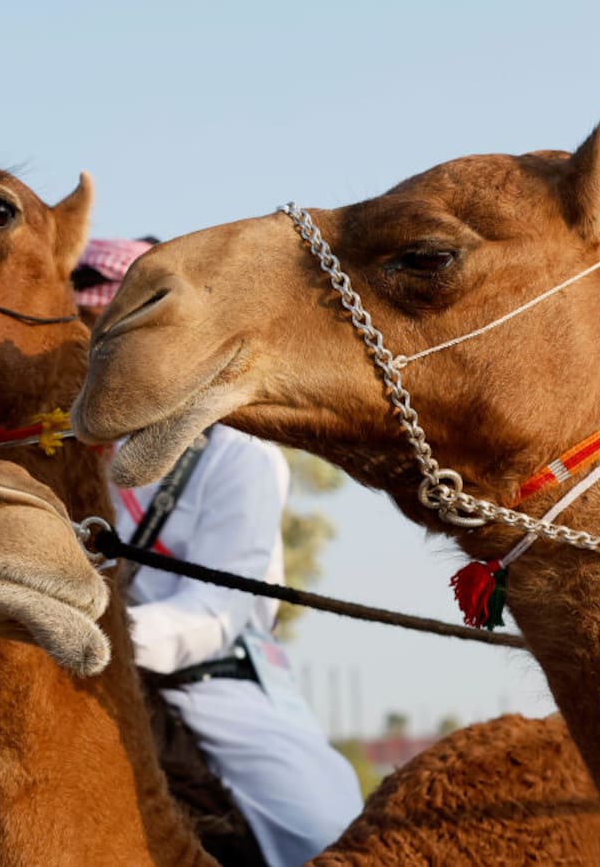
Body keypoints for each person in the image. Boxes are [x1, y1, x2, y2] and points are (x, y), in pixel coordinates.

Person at [75, 238, 363, 867]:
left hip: (210, 688)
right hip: (74, 675)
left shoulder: (239, 456)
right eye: (86, 331)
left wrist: (103, 634)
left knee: (326, 831)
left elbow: (219, 609)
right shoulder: (60, 455)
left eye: (105, 331)